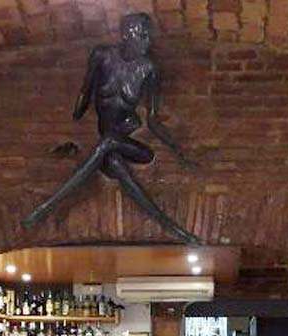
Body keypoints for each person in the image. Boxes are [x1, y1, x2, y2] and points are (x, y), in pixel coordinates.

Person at [22, 13, 200, 244]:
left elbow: (153, 120)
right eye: (142, 35)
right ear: (126, 35)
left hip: (131, 145)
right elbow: (85, 91)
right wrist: (73, 118)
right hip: (106, 148)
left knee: (110, 142)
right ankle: (174, 228)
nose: (147, 41)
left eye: (149, 36)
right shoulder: (102, 56)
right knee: (114, 161)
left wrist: (180, 153)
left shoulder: (149, 69)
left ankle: (46, 207)